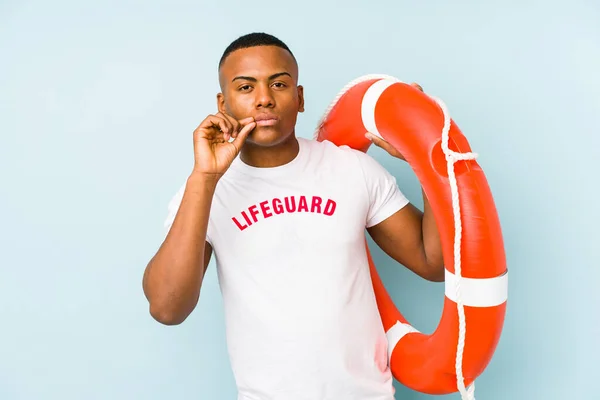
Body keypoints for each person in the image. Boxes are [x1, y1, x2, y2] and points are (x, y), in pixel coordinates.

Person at [142, 32, 444, 400]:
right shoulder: (205, 193)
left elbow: (434, 263)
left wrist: (426, 156)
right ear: (223, 104)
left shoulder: (352, 170)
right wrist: (204, 178)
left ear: (299, 98)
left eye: (279, 84)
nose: (264, 98)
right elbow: (167, 308)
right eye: (245, 87)